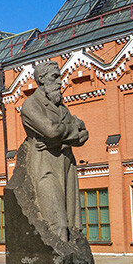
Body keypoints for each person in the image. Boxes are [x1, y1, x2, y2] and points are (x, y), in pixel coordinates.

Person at [18, 61, 89, 242]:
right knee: (58, 224)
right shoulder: (31, 105)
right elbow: (51, 130)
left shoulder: (61, 107)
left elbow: (83, 135)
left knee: (73, 226)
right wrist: (72, 128)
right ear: (41, 79)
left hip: (67, 169)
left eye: (60, 77)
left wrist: (53, 143)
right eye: (55, 77)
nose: (60, 82)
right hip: (45, 170)